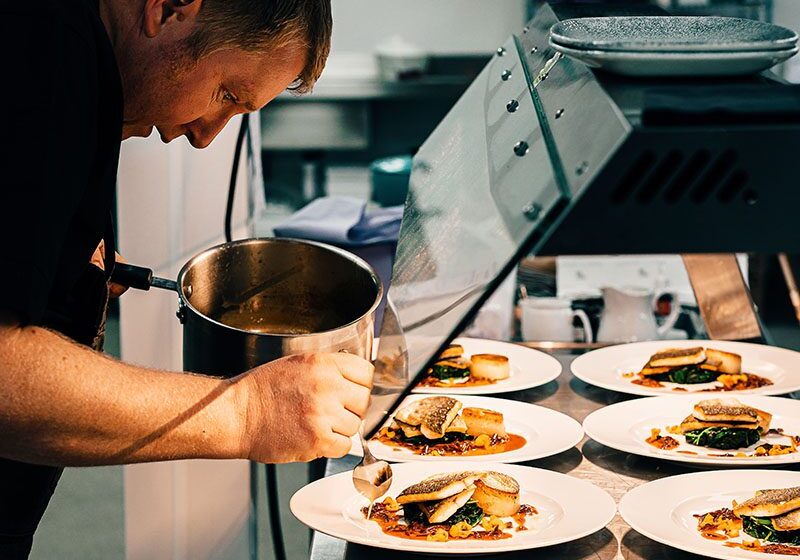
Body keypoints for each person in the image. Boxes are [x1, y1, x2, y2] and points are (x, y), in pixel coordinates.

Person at [0, 0, 373, 557]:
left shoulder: (83, 68)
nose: (206, 136)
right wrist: (247, 413)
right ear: (169, 8)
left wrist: (61, 263)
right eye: (227, 94)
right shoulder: (44, 60)